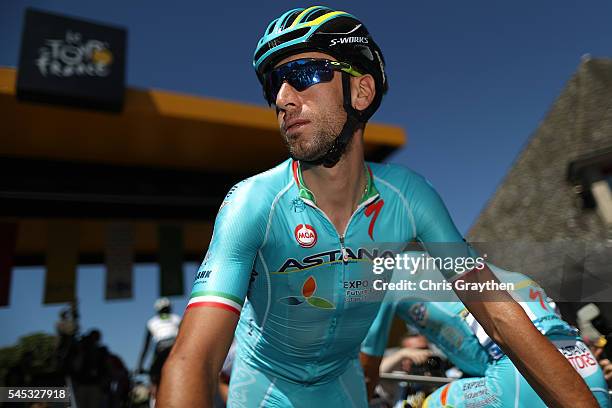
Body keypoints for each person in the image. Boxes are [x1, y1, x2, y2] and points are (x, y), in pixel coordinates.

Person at [158, 6, 599, 407]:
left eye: (304, 73)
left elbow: (497, 312)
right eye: (275, 82)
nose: (283, 98)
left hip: (342, 382)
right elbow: (194, 359)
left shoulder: (411, 197)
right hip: (267, 386)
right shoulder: (251, 202)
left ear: (362, 90)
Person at [361, 254, 611, 407]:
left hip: (515, 376)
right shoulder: (478, 267)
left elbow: (366, 373)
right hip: (585, 366)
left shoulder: (383, 274)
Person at [137, 297, 181, 399]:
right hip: (175, 348)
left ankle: (155, 397)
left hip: (160, 349)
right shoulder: (177, 318)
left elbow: (146, 346)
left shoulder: (151, 322)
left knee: (155, 380)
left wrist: (139, 366)